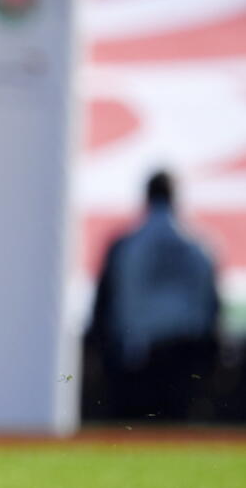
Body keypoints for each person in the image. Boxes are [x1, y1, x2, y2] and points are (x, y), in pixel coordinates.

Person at [85, 170, 221, 420]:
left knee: (134, 434)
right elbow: (213, 308)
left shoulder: (126, 245)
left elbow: (104, 305)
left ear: (146, 197)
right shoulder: (201, 245)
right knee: (179, 436)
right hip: (185, 355)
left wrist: (99, 352)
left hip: (138, 357)